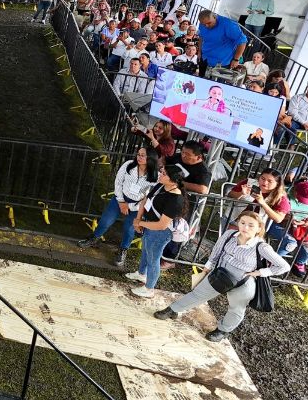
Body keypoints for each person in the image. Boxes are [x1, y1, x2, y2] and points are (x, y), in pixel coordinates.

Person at [153, 211, 289, 341]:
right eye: (242, 223)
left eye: (251, 225)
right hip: (221, 273)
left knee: (236, 308)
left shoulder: (261, 247)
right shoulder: (230, 234)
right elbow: (217, 250)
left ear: (259, 228)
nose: (245, 227)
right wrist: (208, 266)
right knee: (198, 294)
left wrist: (259, 273)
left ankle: (223, 331)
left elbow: (283, 266)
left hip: (242, 280)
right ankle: (173, 310)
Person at [77, 145, 160, 267]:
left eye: (143, 155)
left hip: (137, 205)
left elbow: (150, 197)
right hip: (120, 198)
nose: (139, 157)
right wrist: (121, 202)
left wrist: (130, 207)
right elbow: (118, 182)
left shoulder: (155, 176)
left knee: (129, 228)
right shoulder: (128, 165)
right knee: (106, 220)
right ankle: (94, 238)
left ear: (151, 158)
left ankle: (123, 250)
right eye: (138, 154)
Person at [126, 164, 187, 297]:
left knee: (154, 258)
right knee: (146, 251)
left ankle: (149, 288)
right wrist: (139, 219)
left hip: (160, 233)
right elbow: (145, 200)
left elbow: (162, 225)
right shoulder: (161, 185)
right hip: (149, 225)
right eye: (161, 172)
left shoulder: (176, 199)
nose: (160, 174)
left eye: (164, 173)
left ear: (173, 179)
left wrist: (140, 222)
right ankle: (142, 273)